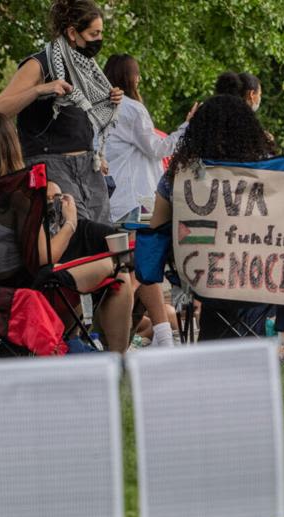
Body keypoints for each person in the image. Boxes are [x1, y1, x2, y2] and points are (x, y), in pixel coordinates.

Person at [0, 111, 134, 352]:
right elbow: (45, 258)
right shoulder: (19, 194)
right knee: (117, 273)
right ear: (11, 147)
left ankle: (70, 343)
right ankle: (117, 362)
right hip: (28, 295)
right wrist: (70, 222)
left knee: (76, 271)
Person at [144, 95, 279, 341]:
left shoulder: (179, 176)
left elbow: (156, 230)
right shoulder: (270, 174)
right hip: (259, 270)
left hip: (202, 275)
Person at [0, 0, 123, 225]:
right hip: (51, 161)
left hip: (87, 163)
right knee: (72, 231)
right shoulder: (39, 64)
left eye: (101, 33)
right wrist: (40, 89)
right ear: (73, 32)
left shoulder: (85, 66)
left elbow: (84, 112)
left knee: (101, 232)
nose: (99, 40)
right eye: (94, 33)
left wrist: (109, 99)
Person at [102, 54, 192, 347]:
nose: (139, 79)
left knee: (130, 266)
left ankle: (149, 334)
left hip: (113, 199)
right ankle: (154, 333)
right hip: (138, 199)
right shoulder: (132, 109)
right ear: (130, 77)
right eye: (137, 74)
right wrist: (186, 126)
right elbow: (158, 148)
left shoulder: (101, 111)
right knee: (139, 266)